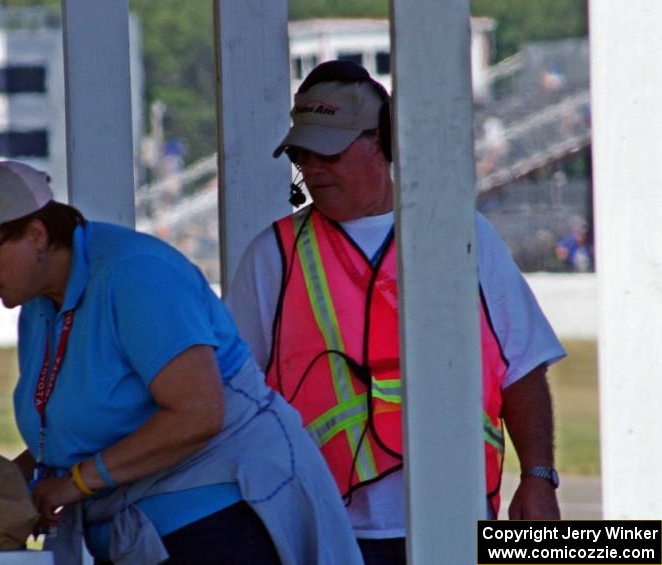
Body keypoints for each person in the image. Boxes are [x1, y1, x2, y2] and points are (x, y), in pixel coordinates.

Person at [0, 160, 363, 565]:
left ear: (38, 236)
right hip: (144, 526)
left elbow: (198, 414)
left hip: (219, 517)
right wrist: (4, 487)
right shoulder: (39, 303)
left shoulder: (135, 273)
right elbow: (79, 426)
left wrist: (73, 483)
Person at [225, 61, 566, 565]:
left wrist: (538, 477)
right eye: (301, 153)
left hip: (459, 522)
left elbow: (522, 367)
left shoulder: (460, 235)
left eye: (329, 151)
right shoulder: (272, 255)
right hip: (328, 531)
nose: (313, 168)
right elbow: (233, 400)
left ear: (384, 141)